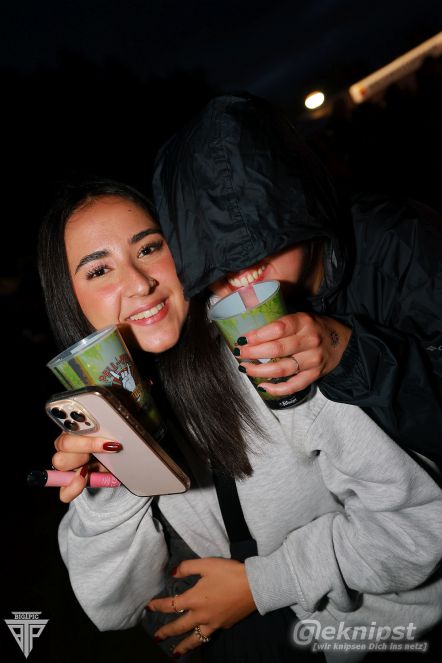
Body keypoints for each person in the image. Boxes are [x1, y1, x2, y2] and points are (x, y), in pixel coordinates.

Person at [37, 178, 442, 663]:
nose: (140, 283)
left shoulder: (265, 346)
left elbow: (422, 526)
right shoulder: (108, 418)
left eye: (149, 248)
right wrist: (119, 479)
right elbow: (113, 608)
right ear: (71, 299)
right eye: (100, 269)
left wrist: (261, 584)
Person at [152, 92, 442, 469]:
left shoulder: (404, 242)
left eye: (257, 239)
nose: (236, 272)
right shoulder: (207, 325)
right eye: (212, 260)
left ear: (295, 203)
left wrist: (348, 352)